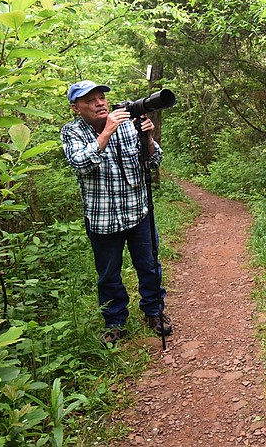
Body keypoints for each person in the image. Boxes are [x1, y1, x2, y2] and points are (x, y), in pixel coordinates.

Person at [60, 80, 173, 346]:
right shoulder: (72, 132)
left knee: (148, 265)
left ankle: (154, 312)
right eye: (91, 100)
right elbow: (80, 163)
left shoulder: (127, 124)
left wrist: (147, 137)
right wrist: (107, 131)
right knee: (109, 274)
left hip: (138, 211)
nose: (100, 103)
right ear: (76, 108)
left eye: (101, 98)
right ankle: (115, 322)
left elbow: (153, 161)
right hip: (102, 218)